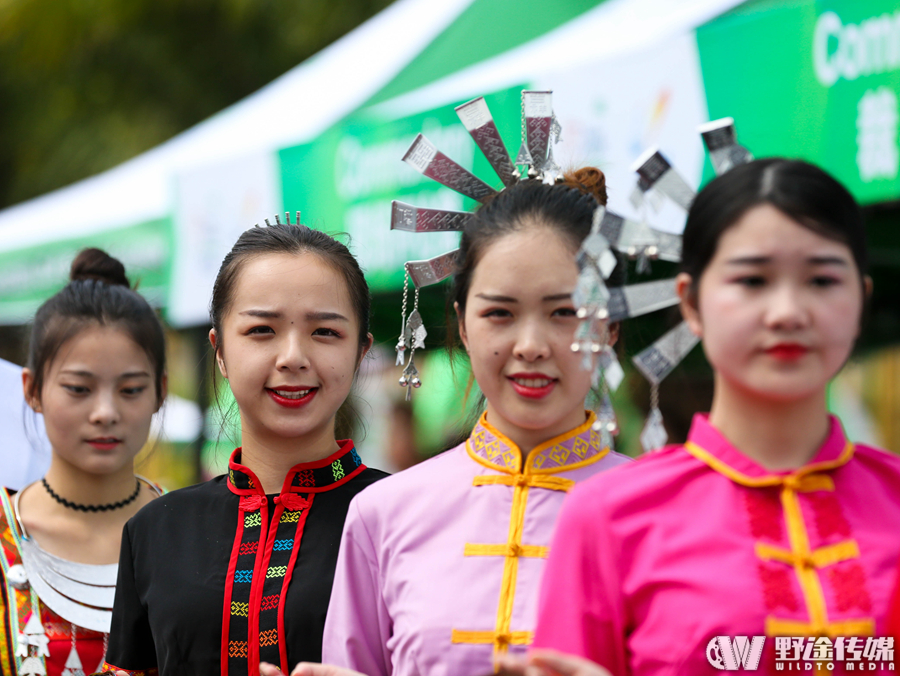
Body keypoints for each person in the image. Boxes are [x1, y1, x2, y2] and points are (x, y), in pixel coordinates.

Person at [532, 159, 900, 674]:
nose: (788, 311)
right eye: (752, 280)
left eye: (821, 279)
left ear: (860, 300)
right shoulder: (609, 517)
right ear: (692, 303)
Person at [322, 169, 632, 676]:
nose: (530, 346)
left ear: (610, 325)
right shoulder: (382, 515)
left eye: (564, 313)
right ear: (463, 324)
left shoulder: (666, 517)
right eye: (500, 314)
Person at [103, 222, 388, 676]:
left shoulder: (406, 519)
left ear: (361, 352)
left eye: (325, 333)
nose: (292, 356)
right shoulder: (155, 530)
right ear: (219, 351)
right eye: (261, 330)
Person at [0, 248, 166, 676]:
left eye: (130, 389)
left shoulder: (196, 534)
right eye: (78, 388)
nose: (105, 412)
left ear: (160, 392)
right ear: (32, 389)